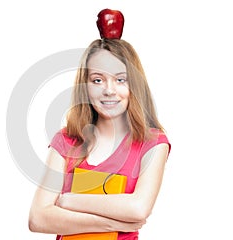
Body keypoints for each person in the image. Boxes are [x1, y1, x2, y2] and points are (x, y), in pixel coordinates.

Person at [28, 28, 171, 240]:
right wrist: (113, 221)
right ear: (85, 87)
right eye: (97, 80)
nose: (109, 90)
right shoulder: (66, 140)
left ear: (135, 85)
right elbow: (38, 219)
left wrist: (68, 200)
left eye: (120, 79)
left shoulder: (153, 143)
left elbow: (139, 209)